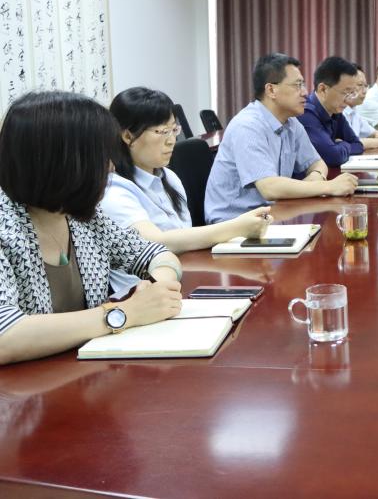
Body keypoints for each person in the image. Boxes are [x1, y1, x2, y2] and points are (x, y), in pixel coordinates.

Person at [0, 91, 184, 365]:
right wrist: (124, 313)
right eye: (100, 156)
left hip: (84, 375)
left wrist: (159, 288)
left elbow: (156, 254)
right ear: (62, 163)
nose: (110, 168)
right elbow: (5, 336)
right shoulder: (6, 224)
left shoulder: (81, 216)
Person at [102, 87, 271, 290]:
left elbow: (185, 240)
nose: (171, 140)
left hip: (183, 277)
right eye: (161, 131)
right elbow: (155, 243)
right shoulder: (113, 190)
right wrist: (236, 227)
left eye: (174, 130)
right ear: (128, 136)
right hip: (143, 293)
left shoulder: (169, 177)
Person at [205, 53, 358, 223]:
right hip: (234, 224)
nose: (305, 92)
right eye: (297, 85)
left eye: (303, 84)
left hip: (272, 215)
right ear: (271, 90)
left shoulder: (291, 123)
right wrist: (328, 186)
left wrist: (315, 179)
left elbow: (317, 163)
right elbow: (270, 188)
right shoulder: (247, 126)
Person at [298, 57, 369, 167]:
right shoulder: (305, 112)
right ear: (323, 89)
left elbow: (358, 145)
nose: (348, 99)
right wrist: (343, 144)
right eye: (345, 92)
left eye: (352, 93)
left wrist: (339, 145)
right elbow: (332, 156)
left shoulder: (336, 111)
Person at [343, 65, 378, 149]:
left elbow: (373, 133)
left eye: (365, 86)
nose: (364, 91)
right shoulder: (339, 112)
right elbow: (353, 143)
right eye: (360, 85)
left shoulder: (354, 111)